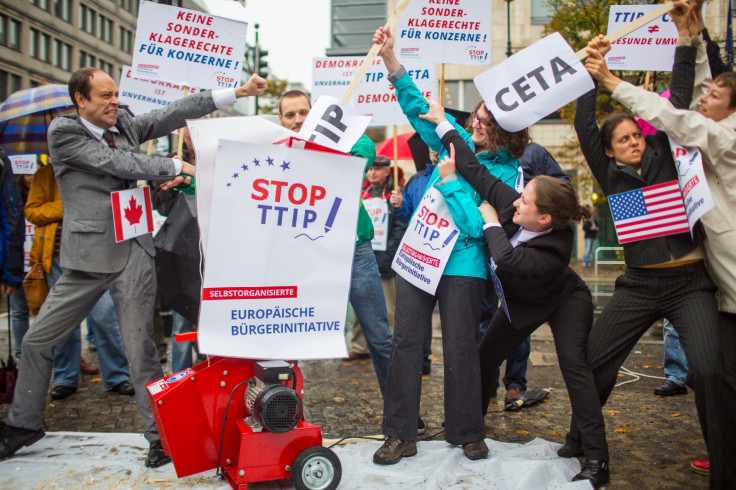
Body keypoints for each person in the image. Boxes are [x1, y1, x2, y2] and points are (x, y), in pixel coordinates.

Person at [0, 67, 267, 467]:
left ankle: (158, 438)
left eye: (116, 94)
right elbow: (118, 164)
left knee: (140, 352)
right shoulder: (64, 132)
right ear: (81, 101)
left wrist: (235, 92)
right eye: (105, 96)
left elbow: (172, 113)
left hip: (134, 253)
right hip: (86, 259)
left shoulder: (123, 121)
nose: (115, 103)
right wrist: (178, 168)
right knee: (37, 340)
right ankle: (23, 423)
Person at [421, 97, 609, 486]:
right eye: (518, 195)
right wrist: (442, 122)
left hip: (563, 300)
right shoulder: (518, 204)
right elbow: (472, 168)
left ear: (544, 218)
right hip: (520, 304)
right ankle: (471, 429)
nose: (514, 200)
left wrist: (490, 221)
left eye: (523, 200)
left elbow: (506, 259)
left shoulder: (555, 249)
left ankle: (595, 456)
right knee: (485, 357)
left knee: (574, 366)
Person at [584, 5, 736, 486]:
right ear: (608, 151)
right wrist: (592, 71)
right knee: (594, 364)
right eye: (623, 138)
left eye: (637, 135)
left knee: (709, 373)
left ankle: (726, 472)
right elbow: (586, 125)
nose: (634, 142)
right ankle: (580, 443)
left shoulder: (672, 155)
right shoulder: (609, 176)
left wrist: (684, 43)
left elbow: (679, 99)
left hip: (690, 284)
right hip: (638, 286)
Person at [371, 26, 533, 465]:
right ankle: (399, 433)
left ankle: (466, 431)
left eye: (484, 120)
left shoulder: (509, 174)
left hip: (463, 261)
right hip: (419, 256)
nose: (475, 122)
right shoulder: (450, 144)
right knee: (406, 343)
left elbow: (481, 227)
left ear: (506, 132)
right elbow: (420, 110)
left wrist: (450, 183)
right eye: (474, 118)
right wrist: (391, 60)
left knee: (461, 345)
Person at [278, 90, 393, 396]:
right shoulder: (277, 150)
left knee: (379, 336)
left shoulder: (336, 143)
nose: (298, 120)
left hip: (355, 252)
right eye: (290, 115)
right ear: (280, 120)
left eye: (304, 112)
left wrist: (327, 146)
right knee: (290, 338)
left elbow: (366, 146)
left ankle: (402, 415)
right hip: (306, 255)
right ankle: (284, 413)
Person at [24, 162, 134, 400]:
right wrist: (67, 206)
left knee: (105, 317)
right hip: (56, 258)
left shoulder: (101, 169)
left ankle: (118, 375)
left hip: (98, 255)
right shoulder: (46, 174)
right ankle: (65, 377)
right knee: (64, 322)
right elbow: (32, 211)